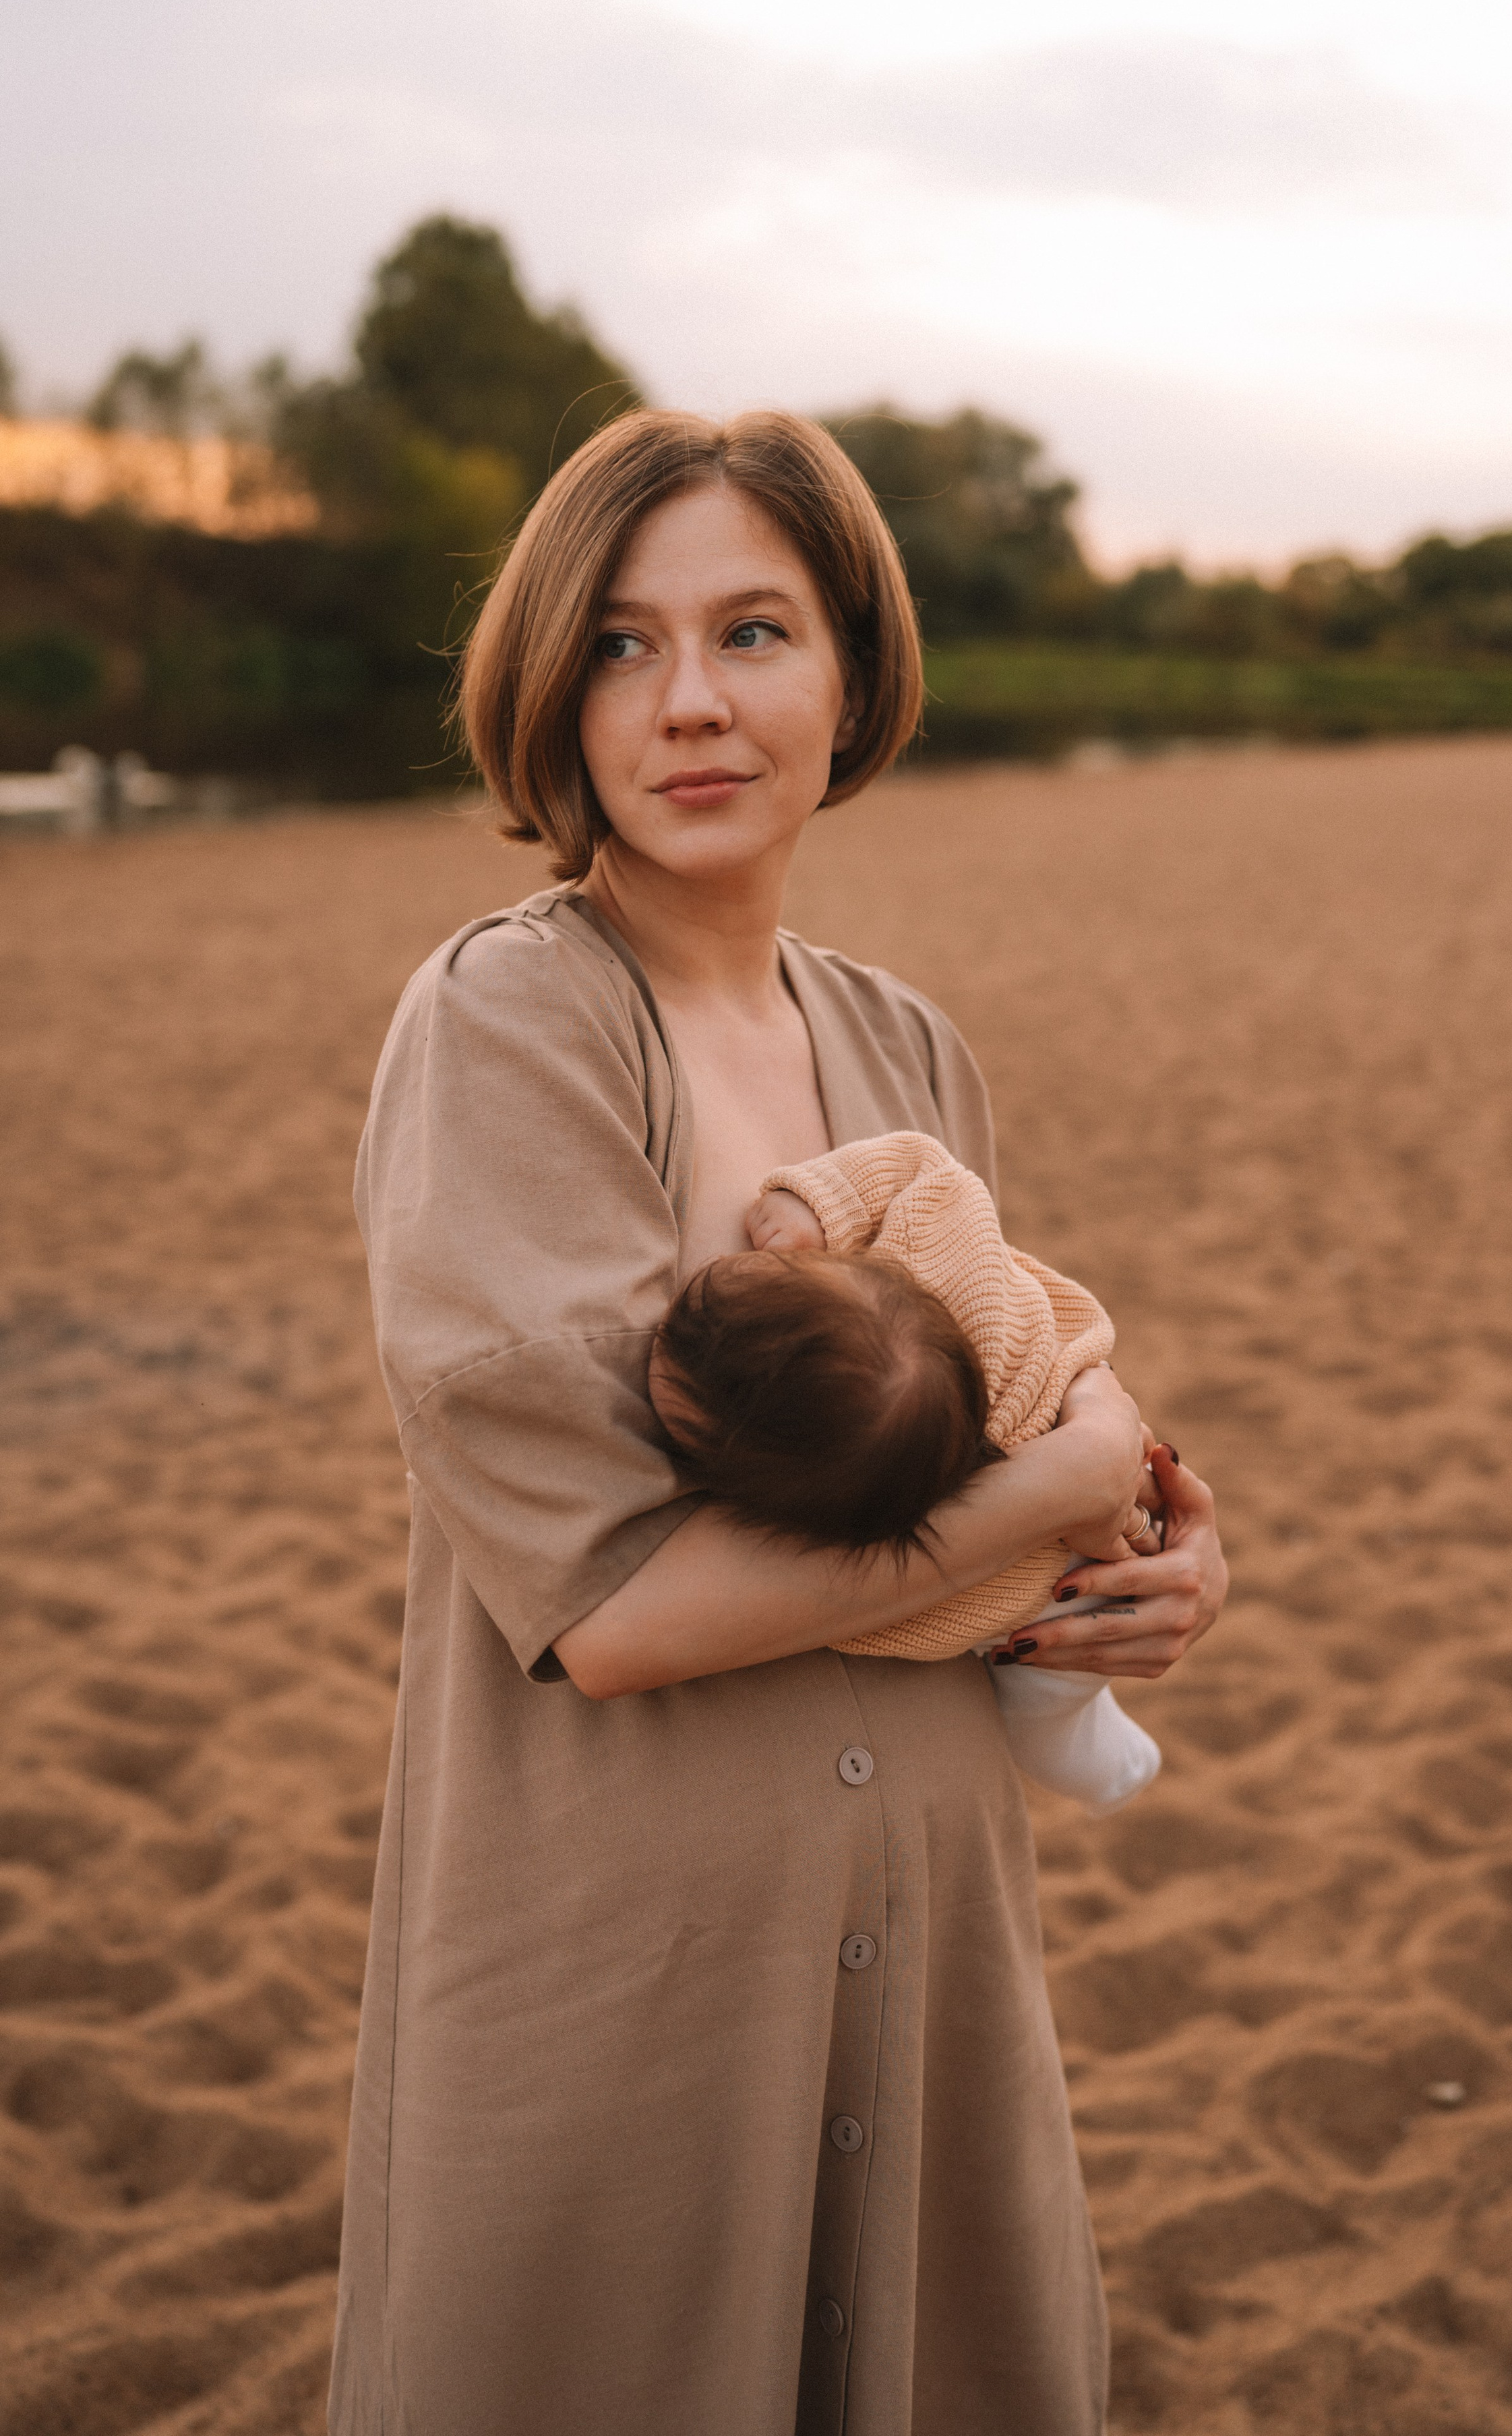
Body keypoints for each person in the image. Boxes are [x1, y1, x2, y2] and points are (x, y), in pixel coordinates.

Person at [329, 407, 1229, 2436]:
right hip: (623, 1970)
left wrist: (1142, 1545)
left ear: (850, 670)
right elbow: (619, 1612)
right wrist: (1046, 1485)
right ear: (550, 697)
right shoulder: (506, 1021)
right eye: (624, 648)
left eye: (751, 631)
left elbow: (1012, 1393)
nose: (691, 704)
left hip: (925, 1940)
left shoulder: (902, 1043)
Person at [650, 1126, 1168, 1811]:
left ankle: (1116, 1768)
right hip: (1098, 1548)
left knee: (1044, 1715)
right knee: (1057, 1708)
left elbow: (860, 1614)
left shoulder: (874, 1521)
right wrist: (818, 1209)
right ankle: (1120, 1767)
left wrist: (818, 1201)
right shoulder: (935, 1266)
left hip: (1081, 1567)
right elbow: (924, 1168)